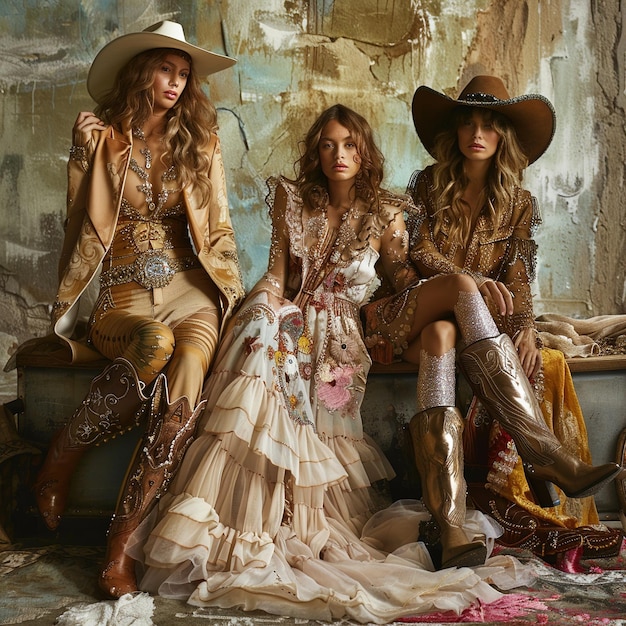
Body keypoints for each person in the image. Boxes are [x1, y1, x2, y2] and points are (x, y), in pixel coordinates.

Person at [128, 104, 516, 623]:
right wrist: (267, 303)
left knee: (309, 368)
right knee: (264, 326)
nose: (340, 155)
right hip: (291, 324)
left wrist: (440, 310)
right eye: (330, 145)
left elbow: (402, 282)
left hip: (341, 341)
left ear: (365, 153)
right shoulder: (292, 201)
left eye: (351, 146)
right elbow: (276, 275)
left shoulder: (385, 213)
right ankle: (249, 520)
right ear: (317, 150)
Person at [362, 75, 624, 570]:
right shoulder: (427, 184)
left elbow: (518, 270)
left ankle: (451, 524)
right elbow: (415, 254)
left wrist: (524, 324)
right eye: (467, 124)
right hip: (410, 307)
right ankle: (544, 452)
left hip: (456, 326)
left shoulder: (518, 202)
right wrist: (472, 283)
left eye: (488, 125)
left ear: (503, 136)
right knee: (447, 310)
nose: (476, 134)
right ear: (455, 133)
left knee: (446, 335)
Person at [31, 21, 245, 598]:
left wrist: (234, 297)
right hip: (122, 296)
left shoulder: (201, 142)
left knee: (187, 379)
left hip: (191, 292)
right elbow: (80, 224)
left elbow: (219, 226)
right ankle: (61, 457)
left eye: (183, 74)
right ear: (140, 72)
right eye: (165, 69)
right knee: (154, 344)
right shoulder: (101, 138)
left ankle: (120, 546)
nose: (175, 83)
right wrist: (80, 154)